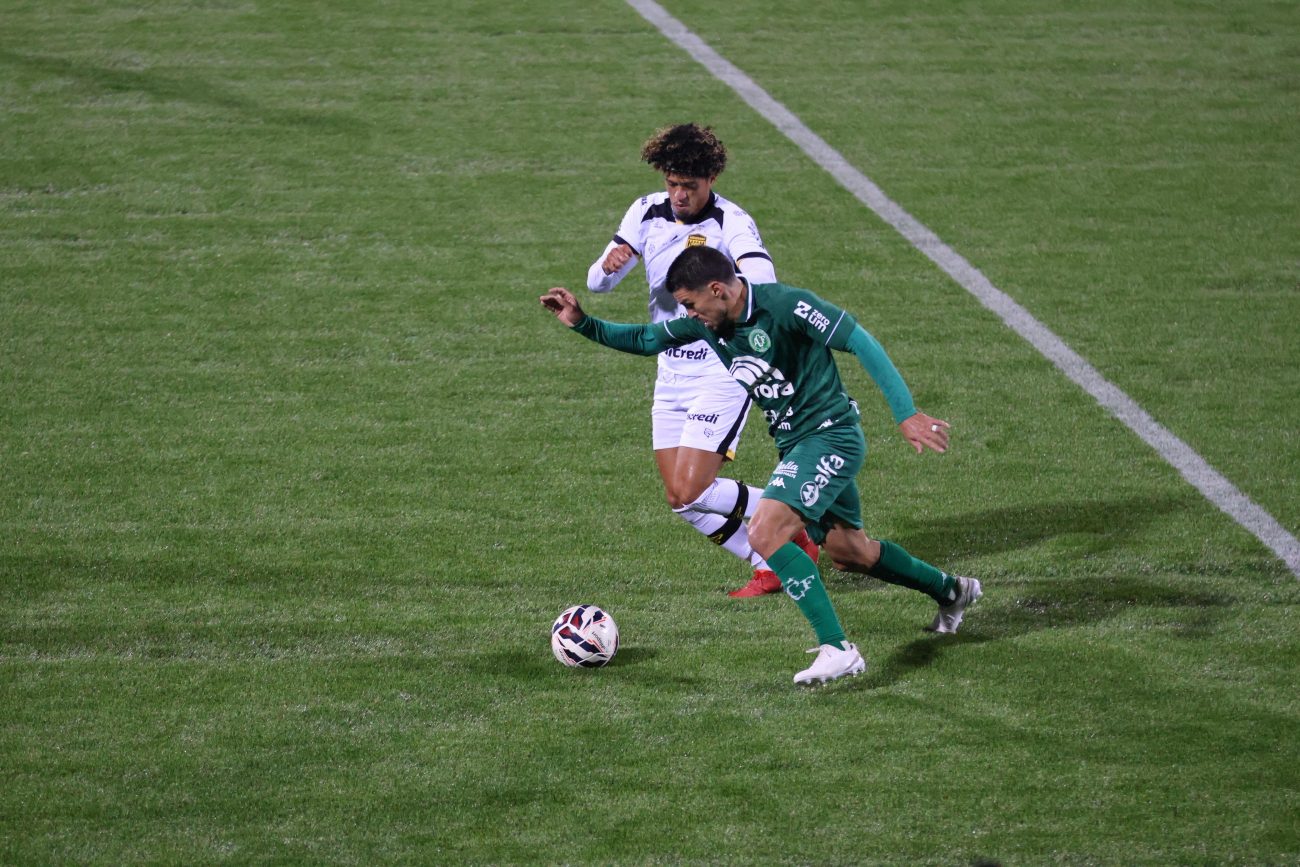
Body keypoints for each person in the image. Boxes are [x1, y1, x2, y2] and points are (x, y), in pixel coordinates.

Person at [541, 245, 982, 684]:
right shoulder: (712, 325)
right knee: (851, 552)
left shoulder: (786, 305)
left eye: (691, 304)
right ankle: (952, 590)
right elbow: (644, 339)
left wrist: (906, 413)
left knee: (765, 531)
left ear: (718, 289)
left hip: (831, 436)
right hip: (796, 446)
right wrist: (581, 322)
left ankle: (838, 648)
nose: (689, 314)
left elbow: (859, 340)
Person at [586, 122, 817, 598]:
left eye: (688, 186)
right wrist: (610, 264)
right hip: (670, 371)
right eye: (671, 183)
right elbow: (597, 284)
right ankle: (768, 562)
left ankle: (799, 517)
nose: (678, 195)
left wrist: (732, 292)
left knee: (695, 489)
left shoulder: (731, 222)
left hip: (721, 369)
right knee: (680, 499)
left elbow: (763, 284)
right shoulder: (645, 211)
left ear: (711, 179)